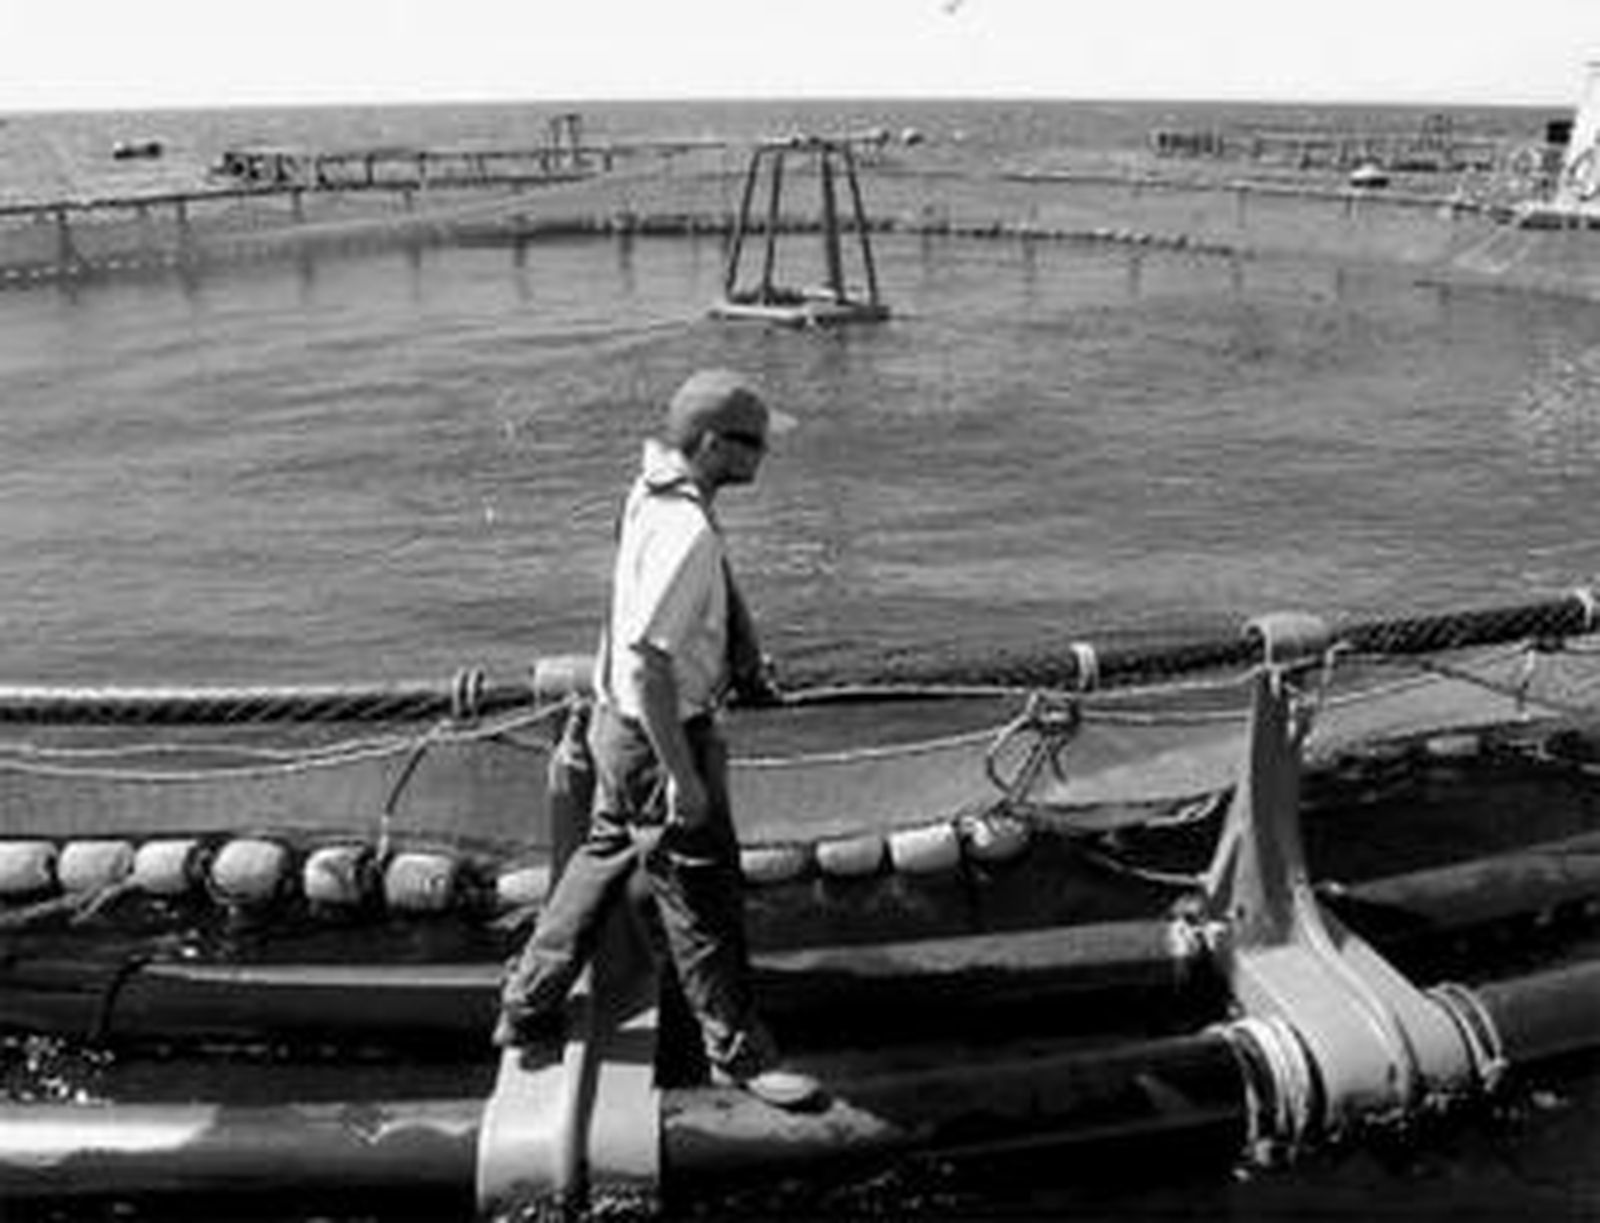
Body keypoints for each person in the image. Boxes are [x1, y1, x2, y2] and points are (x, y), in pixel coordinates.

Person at [494, 368, 821, 1111]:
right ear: (710, 446)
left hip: (613, 724)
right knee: (703, 901)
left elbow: (647, 623)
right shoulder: (688, 532)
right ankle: (736, 1051)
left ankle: (526, 1003)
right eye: (752, 444)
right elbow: (650, 663)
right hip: (657, 736)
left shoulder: (652, 488)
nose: (764, 455)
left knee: (599, 862)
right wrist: (684, 775)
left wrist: (740, 648)